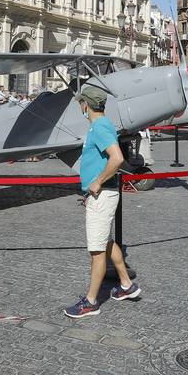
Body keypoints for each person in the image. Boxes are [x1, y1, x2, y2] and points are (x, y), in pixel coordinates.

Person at [63, 85, 139, 318]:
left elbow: (117, 158)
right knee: (106, 242)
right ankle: (127, 285)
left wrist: (97, 183)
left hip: (102, 193)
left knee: (96, 251)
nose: (80, 108)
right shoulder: (101, 125)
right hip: (102, 193)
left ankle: (91, 302)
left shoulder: (100, 127)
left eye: (80, 104)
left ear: (86, 104)